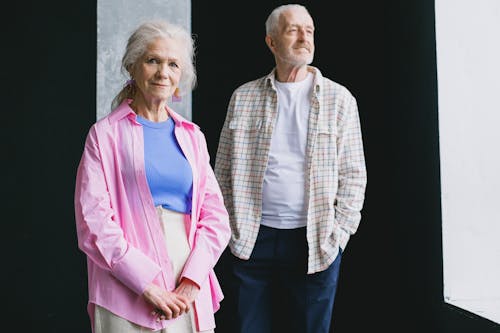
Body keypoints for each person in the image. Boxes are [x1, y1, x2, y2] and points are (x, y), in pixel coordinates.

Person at [214, 4, 367, 333]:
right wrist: (230, 227)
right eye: (292, 30)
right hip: (251, 238)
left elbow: (355, 176)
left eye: (309, 30)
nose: (304, 37)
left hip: (315, 239)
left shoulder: (340, 100)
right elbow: (221, 171)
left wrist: (338, 236)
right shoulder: (243, 97)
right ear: (271, 42)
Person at [74, 20, 230, 333]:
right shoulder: (104, 135)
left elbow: (216, 218)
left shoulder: (192, 137)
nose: (163, 72)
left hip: (187, 278)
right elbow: (93, 222)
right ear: (133, 67)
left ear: (180, 77)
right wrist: (145, 284)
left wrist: (192, 281)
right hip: (122, 282)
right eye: (153, 61)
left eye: (173, 64)